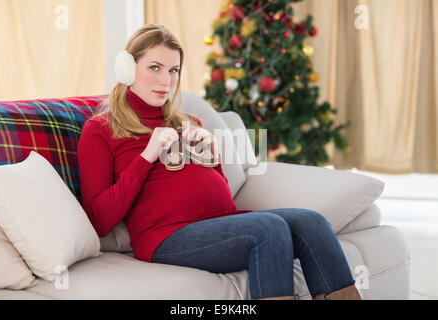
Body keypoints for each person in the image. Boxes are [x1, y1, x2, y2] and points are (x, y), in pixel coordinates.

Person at [77, 24, 362, 300]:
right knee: (268, 228)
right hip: (164, 237)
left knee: (312, 222)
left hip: (218, 224)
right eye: (155, 68)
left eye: (173, 70)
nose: (166, 81)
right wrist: (147, 156)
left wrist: (213, 159)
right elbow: (99, 220)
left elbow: (222, 198)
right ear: (127, 69)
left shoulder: (189, 123)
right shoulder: (101, 130)